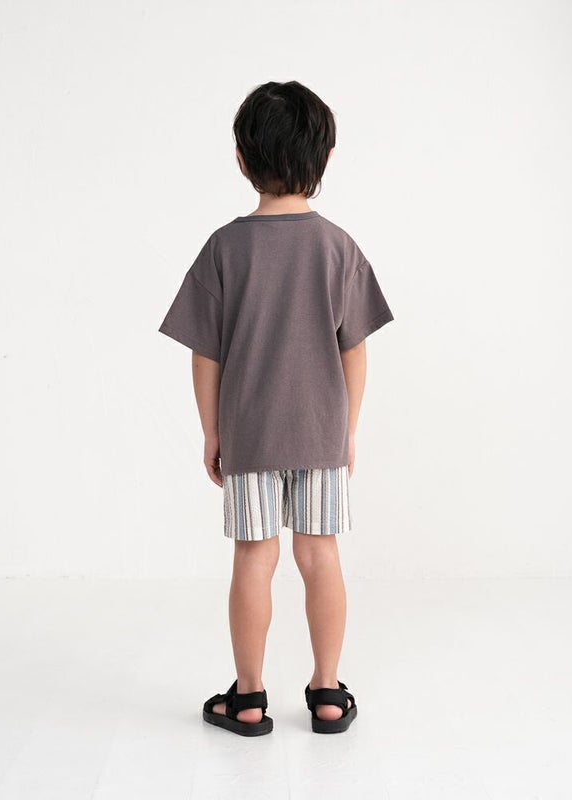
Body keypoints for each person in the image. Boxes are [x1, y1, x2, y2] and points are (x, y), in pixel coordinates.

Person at [158, 80, 394, 736]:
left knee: (254, 559)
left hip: (251, 432)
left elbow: (205, 353)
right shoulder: (338, 246)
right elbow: (354, 350)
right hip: (320, 431)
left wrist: (212, 432)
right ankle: (327, 691)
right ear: (327, 156)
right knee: (320, 556)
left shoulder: (224, 248)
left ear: (241, 157)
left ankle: (250, 697)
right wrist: (346, 430)